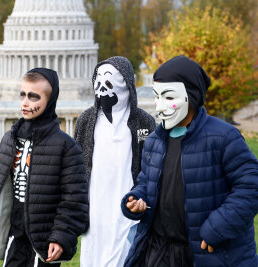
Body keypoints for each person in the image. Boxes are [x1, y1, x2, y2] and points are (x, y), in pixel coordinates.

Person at [121, 56, 258, 267]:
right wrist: (136, 200)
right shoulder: (154, 140)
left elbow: (252, 186)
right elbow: (146, 182)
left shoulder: (224, 137)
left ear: (192, 96)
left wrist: (216, 228)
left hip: (205, 254)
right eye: (156, 97)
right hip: (159, 252)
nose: (160, 107)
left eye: (168, 97)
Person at [0, 68, 88, 267]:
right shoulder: (10, 139)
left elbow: (74, 199)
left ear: (50, 100)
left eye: (34, 97)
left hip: (45, 237)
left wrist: (61, 236)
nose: (25, 103)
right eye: (23, 95)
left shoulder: (67, 146)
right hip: (14, 233)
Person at [75, 56, 156, 267]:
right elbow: (76, 165)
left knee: (125, 255)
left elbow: (152, 163)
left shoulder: (143, 122)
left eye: (109, 80)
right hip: (95, 207)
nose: (102, 87)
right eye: (98, 80)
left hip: (128, 204)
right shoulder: (86, 121)